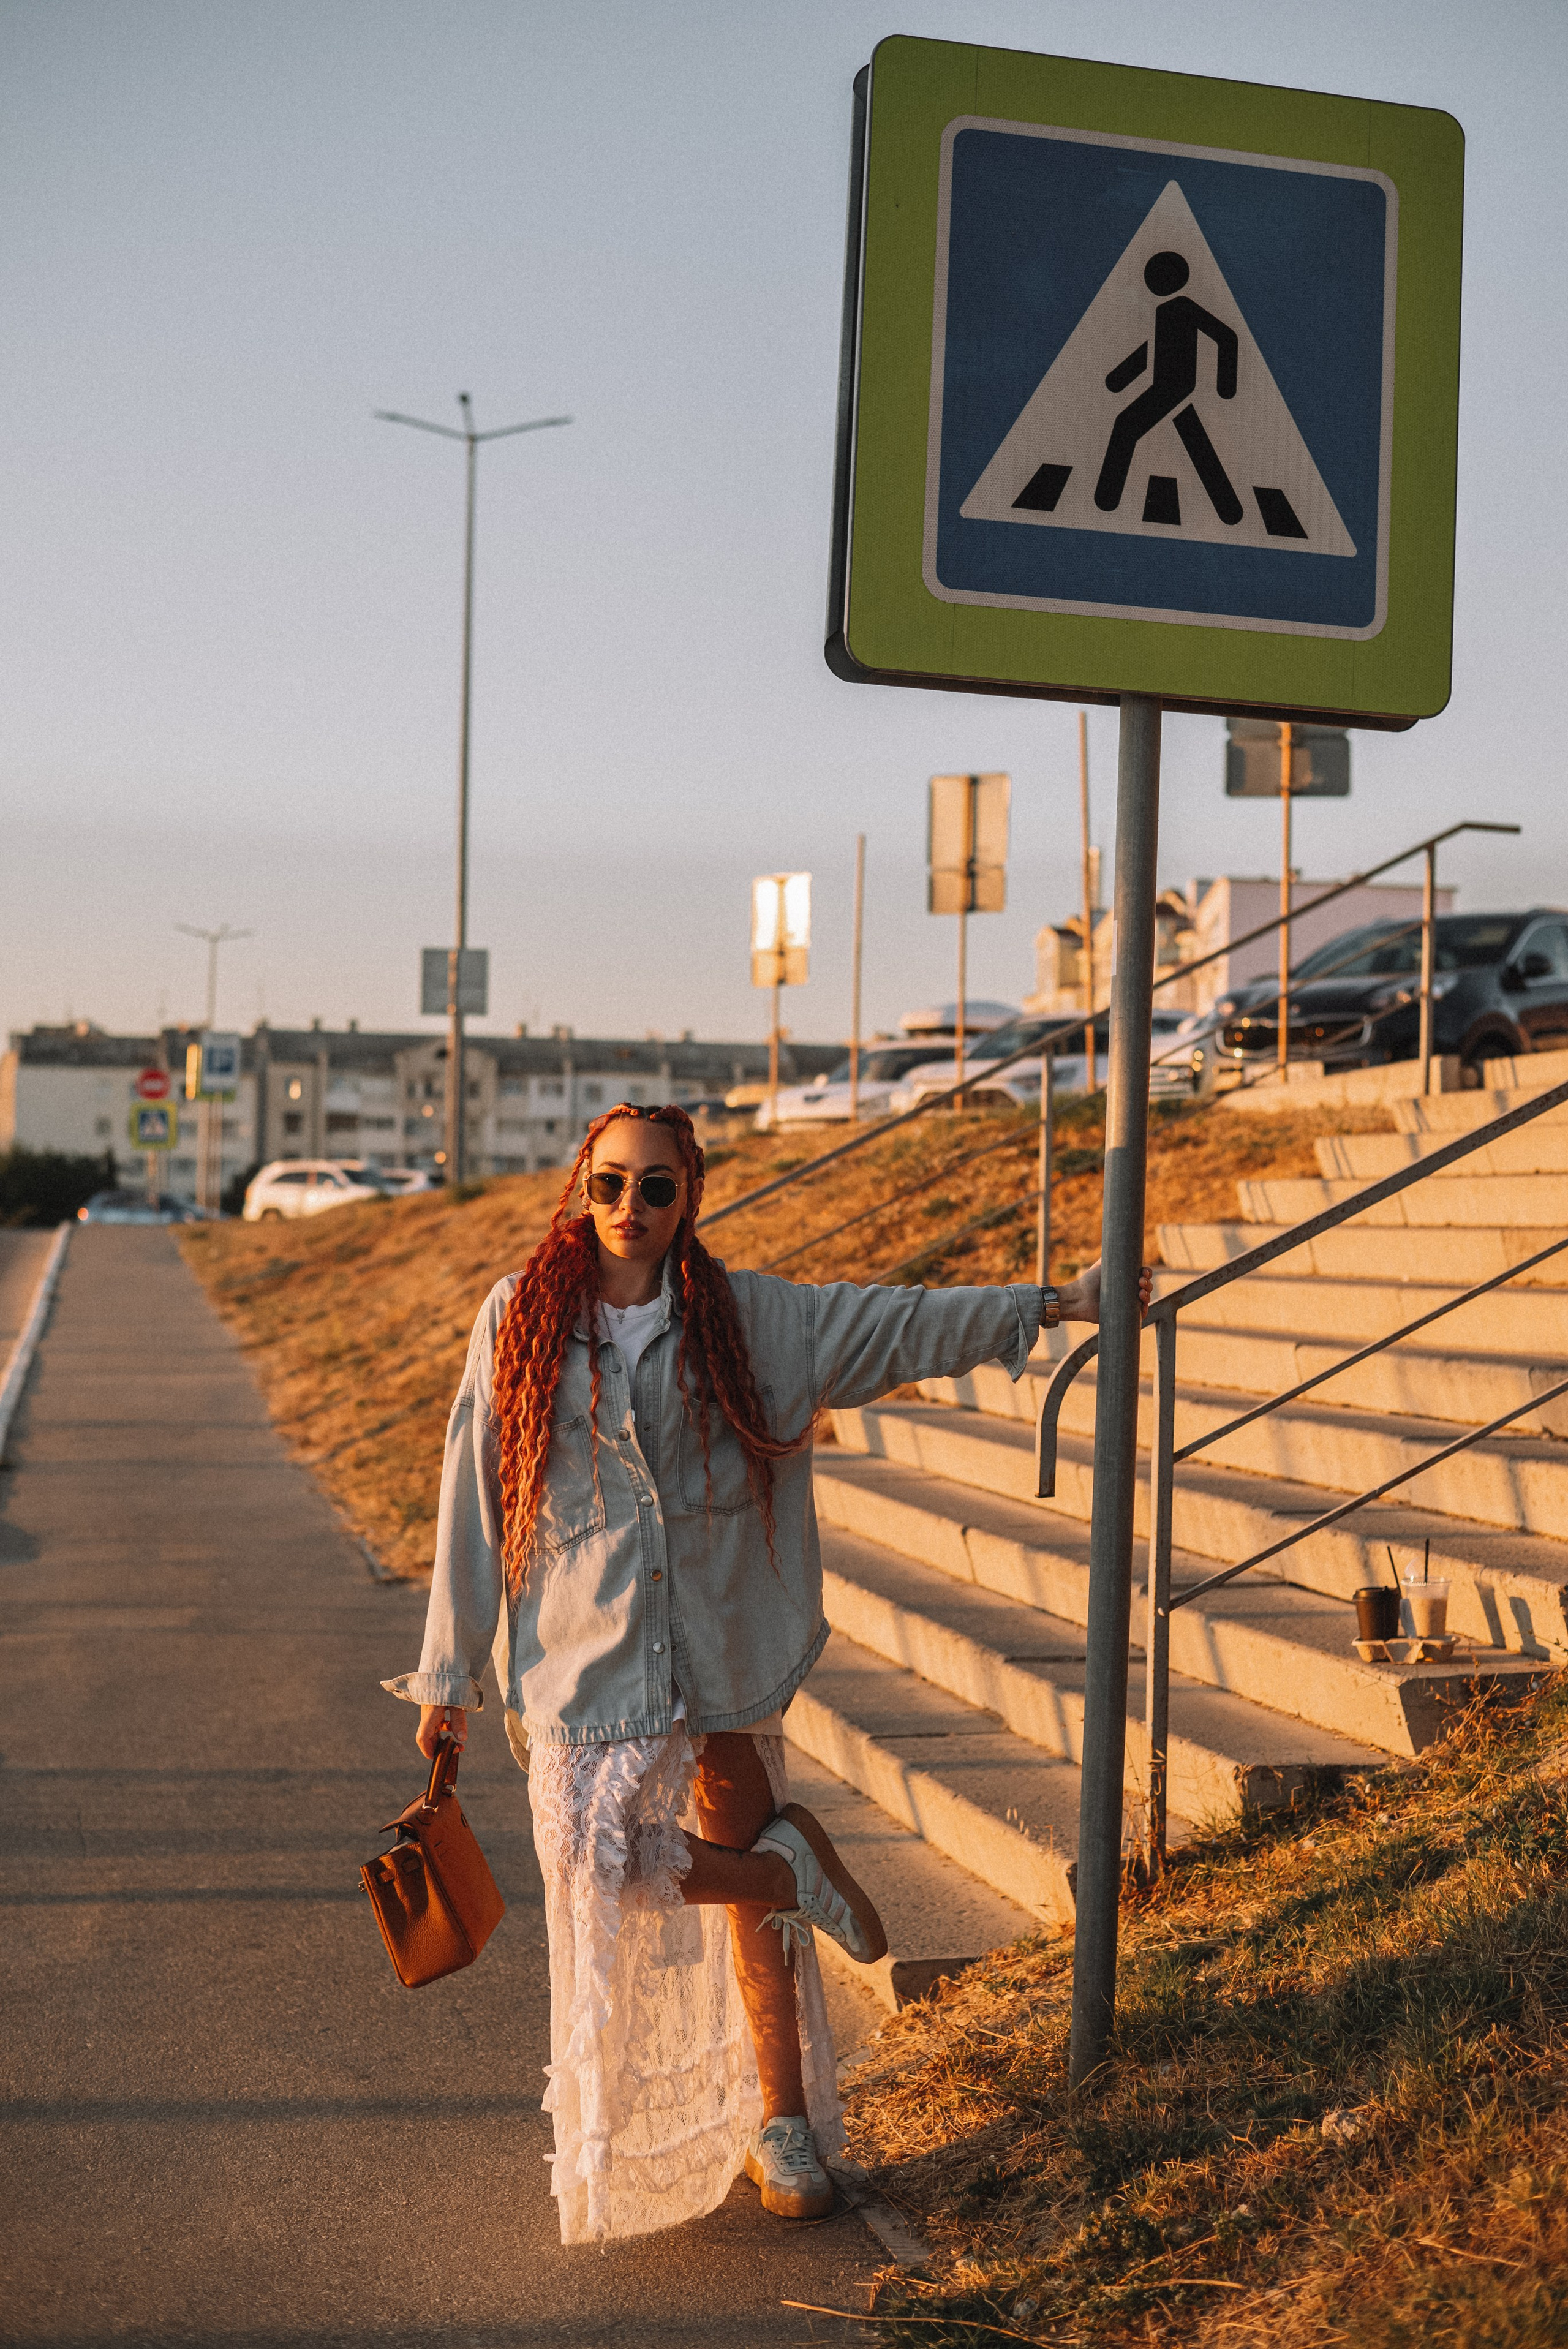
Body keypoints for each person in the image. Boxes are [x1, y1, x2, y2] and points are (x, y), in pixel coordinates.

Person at [383, 1103, 1148, 2245]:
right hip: (580, 1660)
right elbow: (472, 1494)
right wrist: (450, 1673)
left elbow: (893, 1327)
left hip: (723, 1644)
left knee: (740, 1912)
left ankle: (783, 2123)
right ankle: (786, 1872)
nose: (629, 1211)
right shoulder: (524, 1316)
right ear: (578, 1193)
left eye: (655, 1188)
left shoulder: (750, 1319)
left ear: (691, 1193)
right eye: (608, 1187)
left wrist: (1060, 1305)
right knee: (592, 1862)